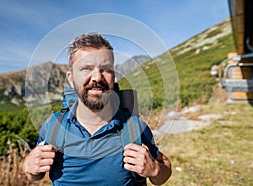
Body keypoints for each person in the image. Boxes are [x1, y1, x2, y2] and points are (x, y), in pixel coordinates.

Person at [22, 33, 172, 185]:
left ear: (113, 75)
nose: (97, 78)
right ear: (71, 78)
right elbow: (35, 175)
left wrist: (155, 171)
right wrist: (29, 167)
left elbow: (164, 168)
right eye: (86, 68)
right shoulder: (54, 125)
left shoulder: (134, 126)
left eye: (105, 69)